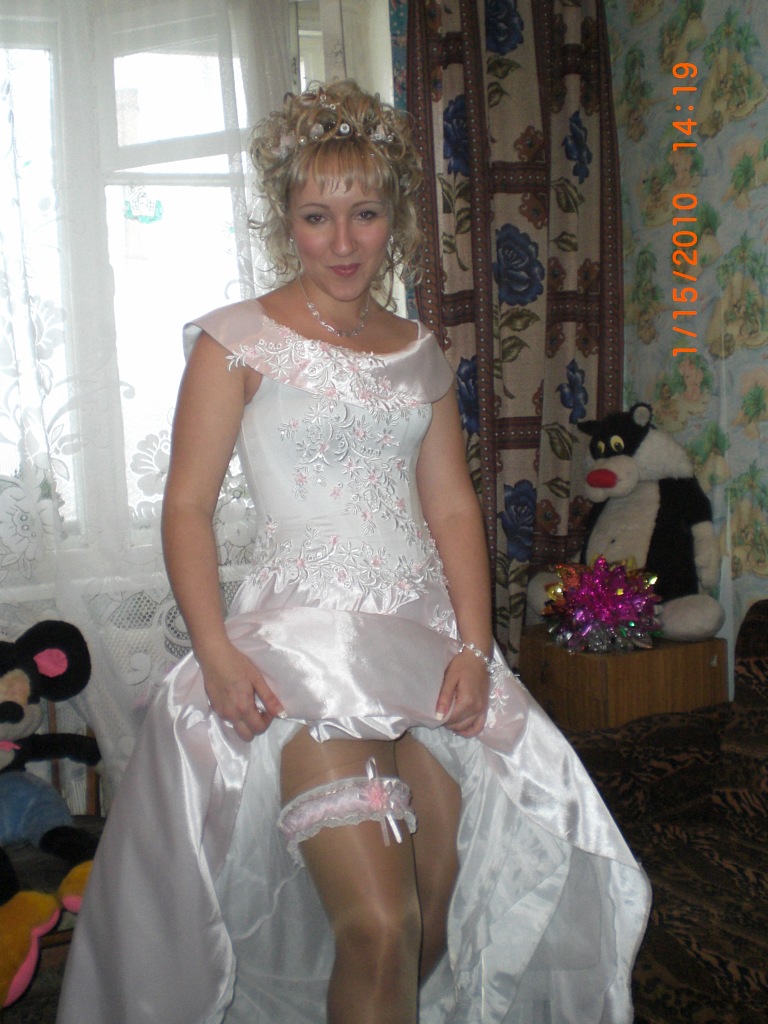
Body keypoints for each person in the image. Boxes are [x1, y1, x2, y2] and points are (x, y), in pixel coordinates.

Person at [57, 81, 650, 1024]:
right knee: (380, 920)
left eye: (364, 213)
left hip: (423, 650)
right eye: (316, 216)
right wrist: (214, 652)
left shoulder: (419, 351)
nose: (342, 241)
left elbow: (452, 506)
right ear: (284, 219)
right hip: (307, 656)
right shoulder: (235, 342)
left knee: (439, 902)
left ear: (395, 217)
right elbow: (187, 508)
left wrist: (475, 646)